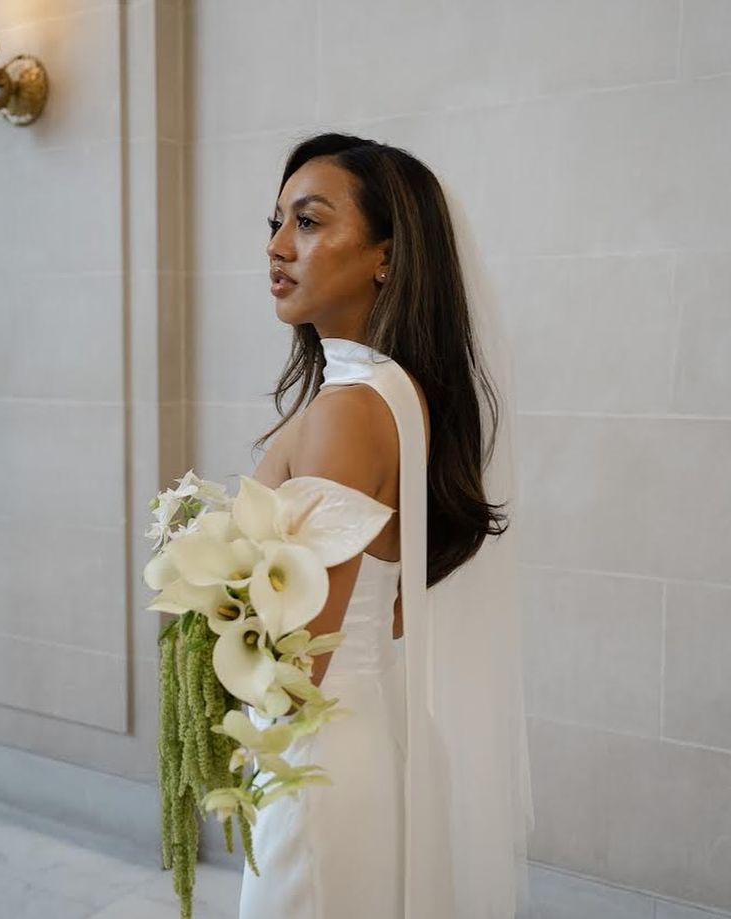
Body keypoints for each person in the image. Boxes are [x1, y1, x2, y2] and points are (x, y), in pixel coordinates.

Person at [238, 132, 534, 919]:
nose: (276, 245)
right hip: (364, 734)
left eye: (307, 221)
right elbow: (388, 594)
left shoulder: (345, 413)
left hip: (317, 760)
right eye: (274, 222)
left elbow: (302, 662)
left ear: (386, 258)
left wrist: (208, 623)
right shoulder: (395, 394)